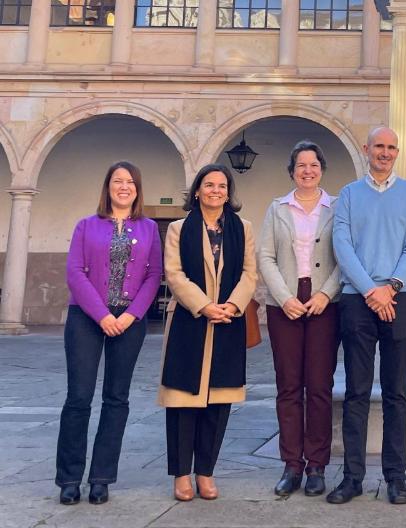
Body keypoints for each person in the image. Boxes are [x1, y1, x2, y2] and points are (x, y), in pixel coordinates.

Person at [328, 126, 406, 505]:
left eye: (391, 148)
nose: (385, 153)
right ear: (367, 149)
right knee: (356, 391)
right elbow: (342, 245)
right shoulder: (350, 195)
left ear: (396, 152)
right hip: (358, 299)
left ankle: (396, 478)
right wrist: (371, 289)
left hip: (398, 299)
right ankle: (352, 477)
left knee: (395, 393)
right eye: (379, 147)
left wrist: (392, 287)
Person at [56, 161, 162, 505]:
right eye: (118, 181)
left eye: (130, 181)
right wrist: (102, 315)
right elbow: (75, 272)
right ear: (108, 187)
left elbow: (153, 275)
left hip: (130, 319)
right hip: (87, 317)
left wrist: (131, 314)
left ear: (137, 188)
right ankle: (69, 478)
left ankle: (101, 477)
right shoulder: (87, 226)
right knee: (79, 398)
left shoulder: (147, 228)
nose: (124, 186)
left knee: (117, 398)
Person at [158, 164, 258, 502]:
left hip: (228, 321)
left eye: (221, 185)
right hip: (191, 321)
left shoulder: (242, 228)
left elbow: (249, 273)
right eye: (208, 185)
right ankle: (181, 474)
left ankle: (206, 472)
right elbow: (174, 273)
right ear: (197, 191)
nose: (215, 190)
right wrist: (203, 305)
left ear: (228, 192)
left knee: (218, 402)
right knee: (183, 402)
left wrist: (231, 305)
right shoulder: (176, 229)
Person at [258, 141, 341, 498]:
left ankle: (318, 465)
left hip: (326, 303)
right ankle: (292, 464)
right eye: (301, 165)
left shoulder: (337, 207)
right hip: (285, 305)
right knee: (289, 386)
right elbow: (265, 256)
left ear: (322, 168)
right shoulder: (277, 208)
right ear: (292, 171)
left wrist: (325, 294)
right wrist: (285, 298)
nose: (307, 170)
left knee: (319, 387)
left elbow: (346, 255)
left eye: (313, 164)